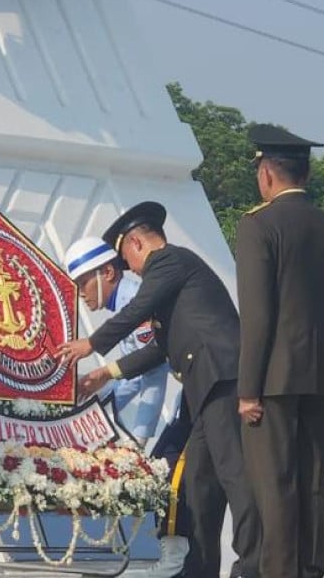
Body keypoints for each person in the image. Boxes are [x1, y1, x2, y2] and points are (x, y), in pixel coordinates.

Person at [58, 203, 261, 578]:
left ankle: (253, 568)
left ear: (135, 242)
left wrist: (92, 343)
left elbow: (138, 308)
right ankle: (198, 570)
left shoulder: (168, 261)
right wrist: (108, 372)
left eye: (125, 258)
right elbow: (159, 347)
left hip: (222, 380)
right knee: (198, 482)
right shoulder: (169, 277)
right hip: (204, 389)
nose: (128, 269)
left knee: (236, 477)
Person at [234, 125, 324, 578]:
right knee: (311, 484)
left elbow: (258, 314)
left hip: (273, 382)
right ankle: (309, 571)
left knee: (276, 486)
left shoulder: (258, 226)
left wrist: (249, 390)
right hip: (321, 378)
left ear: (267, 174)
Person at [62, 236, 190, 577]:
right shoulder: (126, 301)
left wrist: (136, 437)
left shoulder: (135, 298)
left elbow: (153, 369)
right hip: (185, 394)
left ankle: (172, 562)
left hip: (197, 393)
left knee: (170, 473)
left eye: (83, 283)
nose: (82, 294)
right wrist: (103, 384)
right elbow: (133, 370)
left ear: (107, 272)